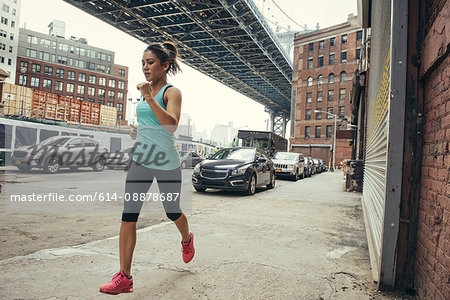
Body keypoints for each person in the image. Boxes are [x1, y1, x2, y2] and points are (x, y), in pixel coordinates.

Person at [100, 41, 195, 295]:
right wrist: (137, 131)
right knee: (128, 215)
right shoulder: (146, 95)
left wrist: (149, 97)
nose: (145, 67)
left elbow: (171, 125)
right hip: (142, 159)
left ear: (165, 65)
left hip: (167, 163)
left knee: (172, 211)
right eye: (142, 63)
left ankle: (187, 239)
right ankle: (125, 277)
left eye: (150, 62)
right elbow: (150, 124)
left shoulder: (170, 92)